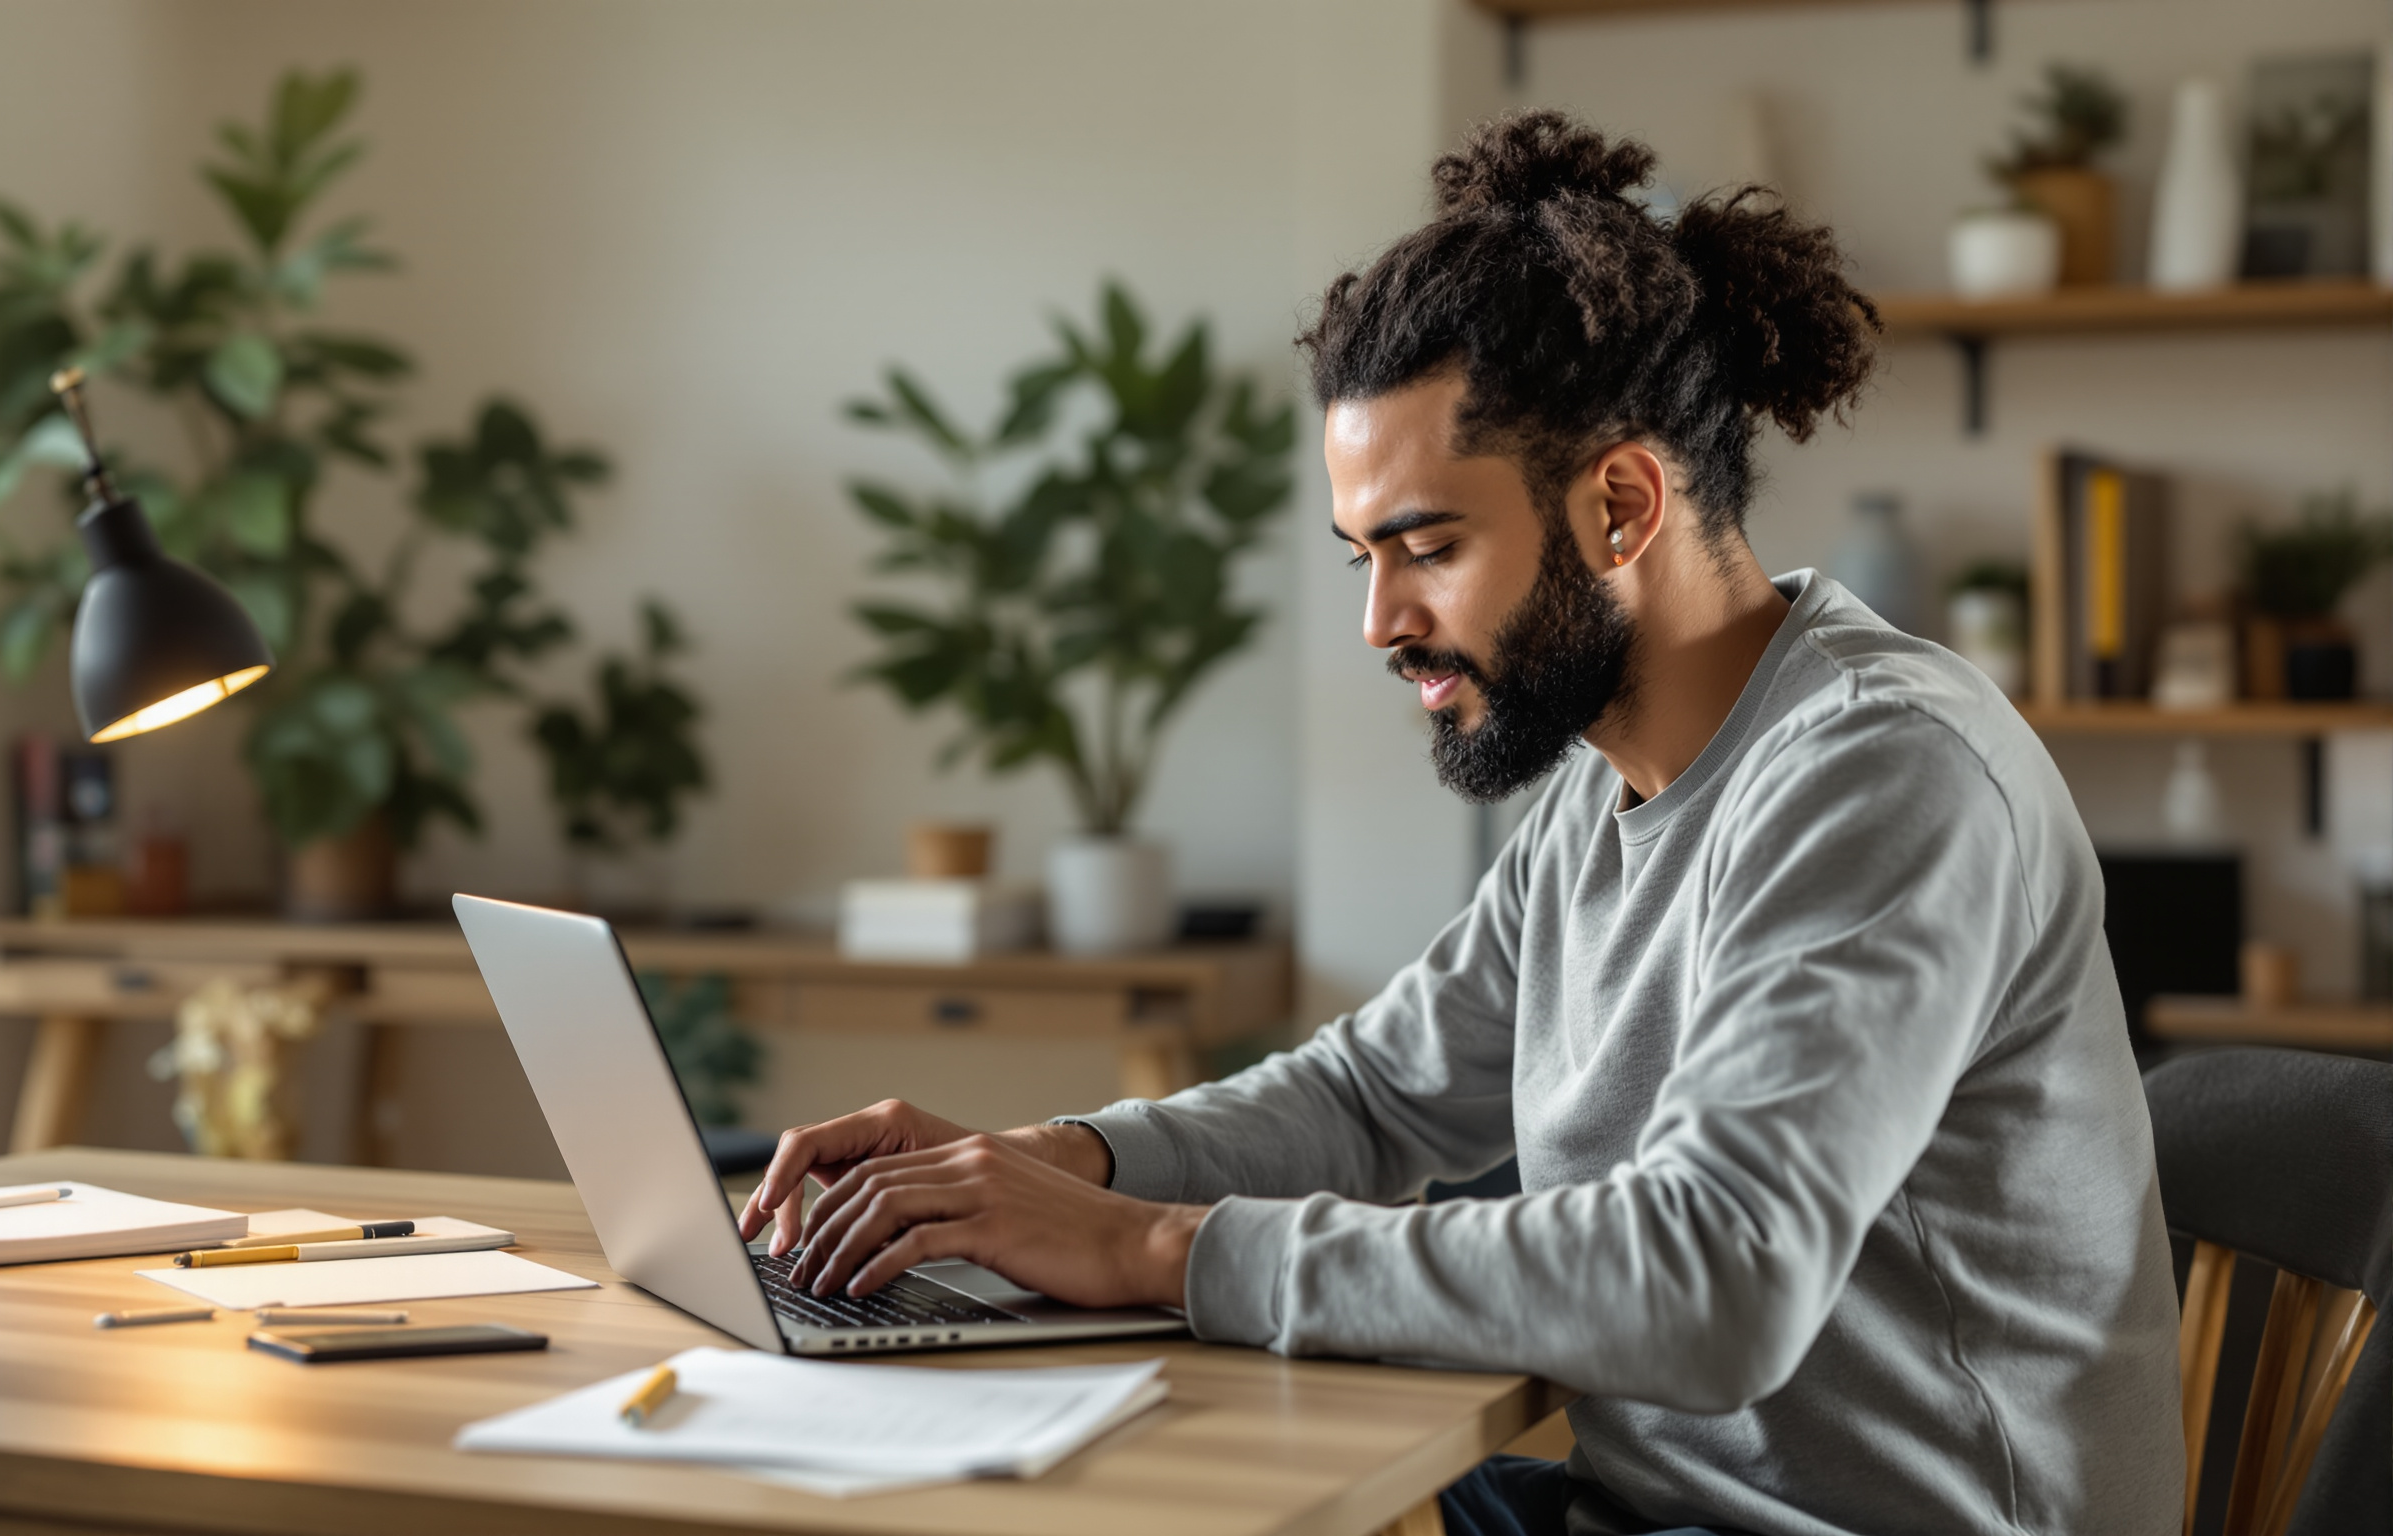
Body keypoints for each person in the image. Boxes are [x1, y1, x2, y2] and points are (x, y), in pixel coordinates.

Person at [739, 110, 2182, 1536]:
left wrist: (1155, 1249)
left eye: (1428, 547)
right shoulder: (1600, 791)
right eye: (1364, 556)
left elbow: (1717, 1278)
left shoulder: (1883, 773)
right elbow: (1374, 1099)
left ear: (1622, 505)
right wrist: (1065, 1163)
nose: (1381, 623)